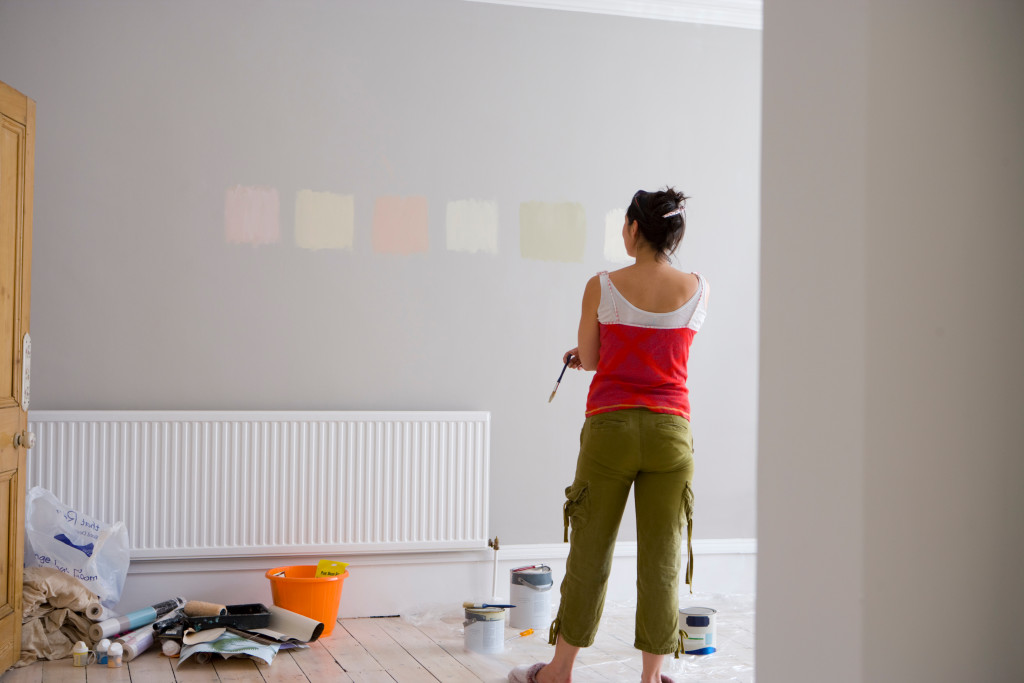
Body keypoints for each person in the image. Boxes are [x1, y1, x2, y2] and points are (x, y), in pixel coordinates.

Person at [508, 188, 709, 683]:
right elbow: (670, 357)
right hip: (670, 432)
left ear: (635, 228)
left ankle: (558, 672)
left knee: (590, 551)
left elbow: (595, 358)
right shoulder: (699, 288)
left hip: (611, 429)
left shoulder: (602, 285)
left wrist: (586, 355)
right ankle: (651, 678)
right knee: (662, 557)